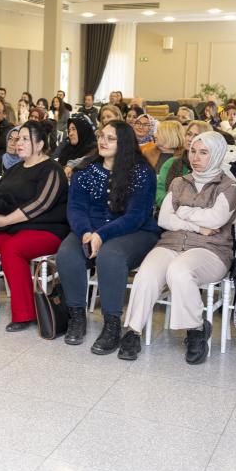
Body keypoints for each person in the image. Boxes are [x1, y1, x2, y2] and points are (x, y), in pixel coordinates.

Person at [123, 131, 236, 364]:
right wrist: (198, 226)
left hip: (212, 250)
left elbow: (216, 220)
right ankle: (132, 331)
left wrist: (184, 211)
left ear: (217, 154)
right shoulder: (179, 182)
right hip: (171, 243)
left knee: (179, 270)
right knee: (146, 274)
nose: (196, 157)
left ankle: (196, 329)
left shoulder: (229, 187)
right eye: (193, 152)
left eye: (203, 152)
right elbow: (164, 220)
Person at [58, 121, 161, 356]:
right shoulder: (85, 169)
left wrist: (101, 235)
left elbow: (136, 216)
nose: (103, 141)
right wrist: (85, 232)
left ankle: (112, 324)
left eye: (111, 138)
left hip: (135, 232)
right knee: (67, 253)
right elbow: (75, 208)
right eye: (101, 136)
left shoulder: (141, 172)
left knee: (110, 255)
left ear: (124, 142)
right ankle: (76, 316)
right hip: (90, 229)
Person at [0, 121, 70, 332]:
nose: (18, 143)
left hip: (47, 230)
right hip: (15, 228)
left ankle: (25, 313)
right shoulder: (16, 169)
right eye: (18, 138)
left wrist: (4, 221)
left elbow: (41, 204)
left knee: (12, 250)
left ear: (39, 144)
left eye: (25, 139)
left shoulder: (52, 169)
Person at [157, 121, 213, 204]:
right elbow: (159, 192)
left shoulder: (211, 168)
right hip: (169, 211)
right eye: (189, 134)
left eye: (196, 136)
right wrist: (172, 207)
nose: (190, 139)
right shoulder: (171, 163)